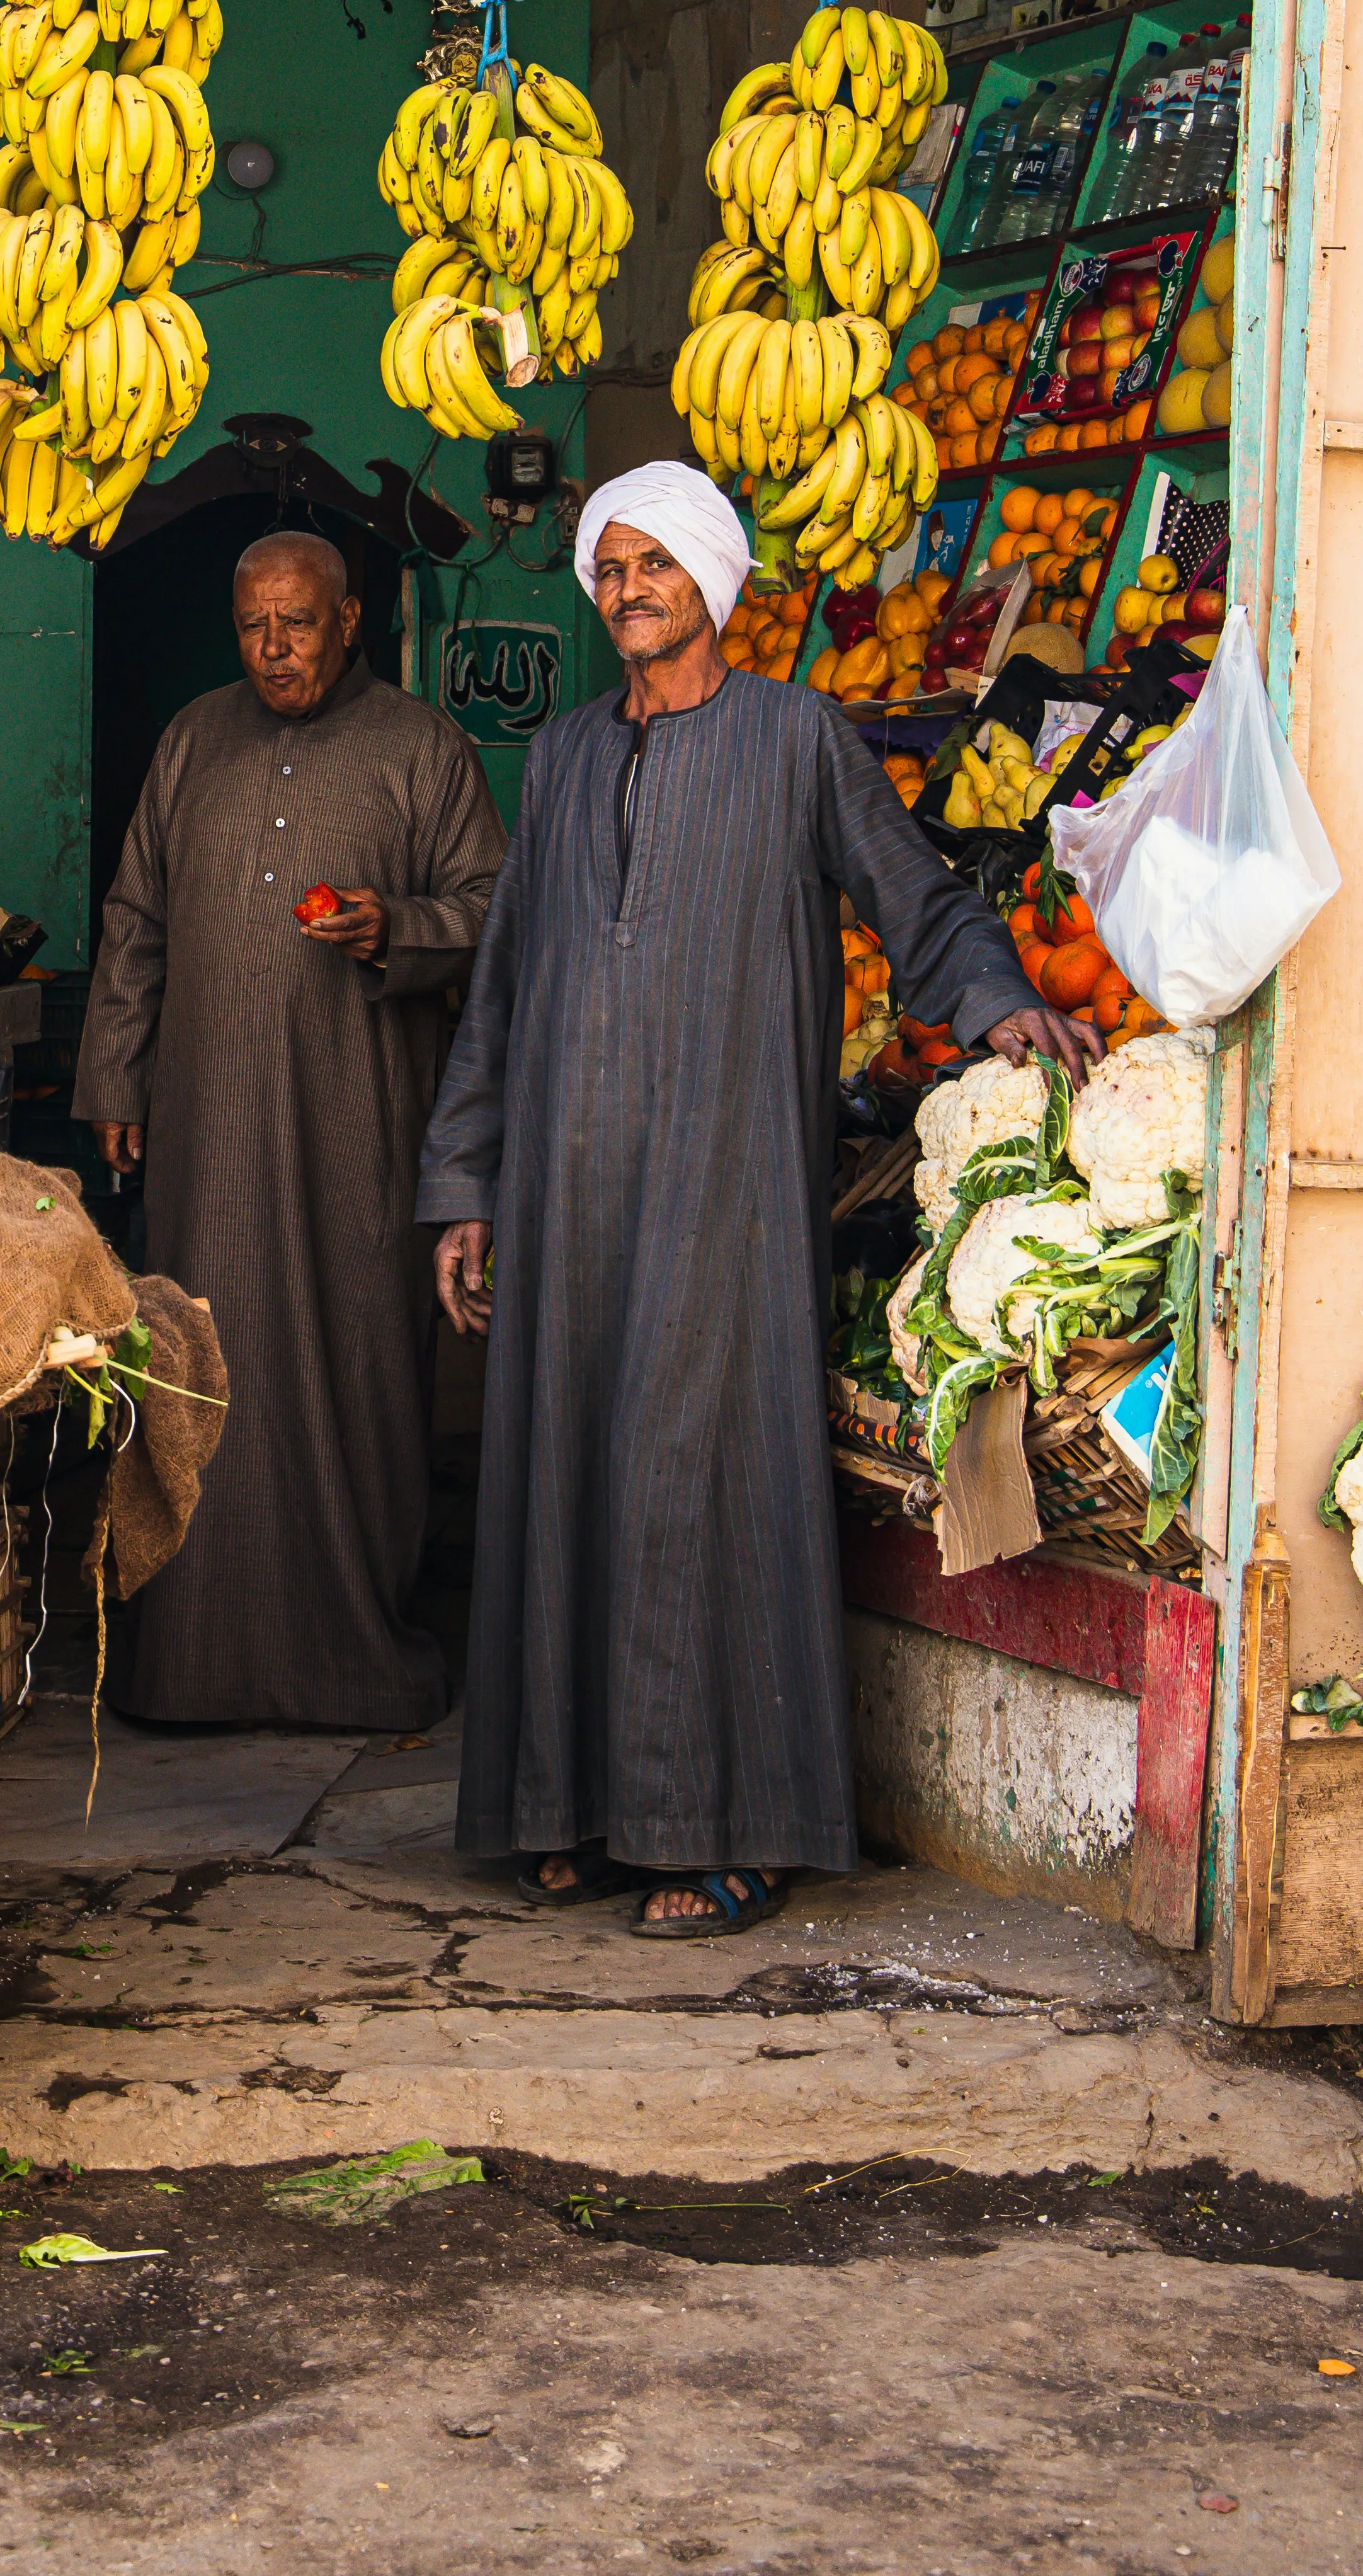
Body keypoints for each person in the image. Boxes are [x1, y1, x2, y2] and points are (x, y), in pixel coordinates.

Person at [416, 460, 1098, 1938]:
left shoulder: (799, 737)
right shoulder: (568, 754)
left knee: (694, 1480)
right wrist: (467, 1181)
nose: (627, 590)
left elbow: (910, 896)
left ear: (715, 581)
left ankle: (726, 1829)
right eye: (609, 568)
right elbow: (506, 981)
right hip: (565, 1182)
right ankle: (575, 1808)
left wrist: (997, 1003)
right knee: (563, 1476)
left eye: (655, 565)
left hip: (721, 1178)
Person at [75, 529, 506, 1730]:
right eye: (255, 625)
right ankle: (191, 1665)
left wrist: (394, 927)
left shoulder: (422, 748)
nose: (274, 649)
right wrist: (115, 1073)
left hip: (358, 1119)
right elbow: (137, 914)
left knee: (357, 1352)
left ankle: (357, 1658)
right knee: (194, 1356)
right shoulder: (196, 739)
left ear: (350, 621)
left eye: (299, 624)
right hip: (205, 1117)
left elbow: (494, 911)